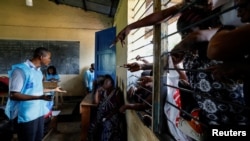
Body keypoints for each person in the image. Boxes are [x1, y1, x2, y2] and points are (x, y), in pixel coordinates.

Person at [4, 47, 66, 141]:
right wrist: (39, 97)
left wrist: (54, 89)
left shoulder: (38, 72)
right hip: (26, 115)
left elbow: (37, 90)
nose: (50, 60)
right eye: (49, 57)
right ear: (41, 57)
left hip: (38, 112)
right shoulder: (20, 71)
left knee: (38, 138)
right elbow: (14, 95)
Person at [88, 74, 126, 141]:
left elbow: (119, 108)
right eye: (104, 82)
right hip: (102, 115)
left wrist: (107, 117)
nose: (104, 84)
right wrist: (97, 91)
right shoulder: (104, 92)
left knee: (106, 128)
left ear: (111, 84)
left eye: (106, 82)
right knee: (92, 127)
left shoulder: (116, 93)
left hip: (112, 116)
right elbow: (96, 102)